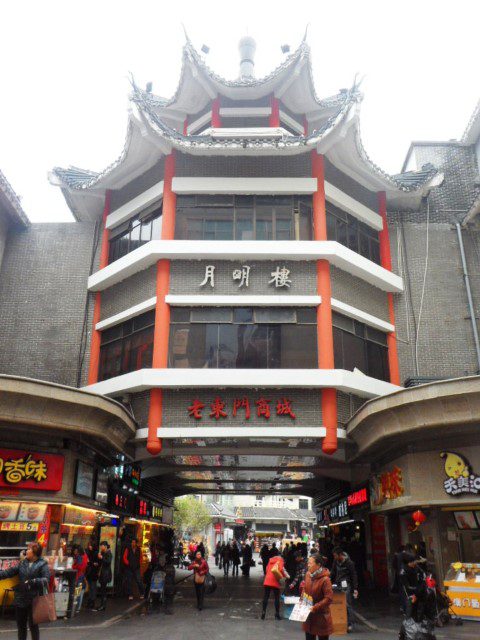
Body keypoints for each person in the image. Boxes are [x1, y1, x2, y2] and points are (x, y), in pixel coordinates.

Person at [0, 542, 50, 640]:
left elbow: (46, 580)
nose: (26, 551)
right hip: (21, 598)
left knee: (33, 626)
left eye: (29, 549)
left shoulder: (42, 564)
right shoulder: (23, 563)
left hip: (34, 600)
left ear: (35, 552)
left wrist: (32, 581)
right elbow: (9, 572)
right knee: (21, 626)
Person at [302, 553, 334, 640]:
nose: (308, 565)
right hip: (309, 617)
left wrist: (315, 607)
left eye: (310, 563)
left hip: (321, 618)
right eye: (308, 563)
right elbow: (305, 589)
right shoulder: (308, 575)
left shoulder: (325, 579)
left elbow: (328, 598)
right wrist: (302, 600)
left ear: (318, 564)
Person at [330, 547, 358, 633]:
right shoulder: (336, 561)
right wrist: (328, 582)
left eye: (335, 556)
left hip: (347, 585)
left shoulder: (349, 563)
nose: (334, 557)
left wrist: (355, 588)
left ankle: (350, 624)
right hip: (338, 584)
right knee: (337, 603)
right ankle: (339, 622)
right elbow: (333, 572)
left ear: (340, 555)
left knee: (347, 604)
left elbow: (354, 575)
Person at [261, 548, 289, 620]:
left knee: (266, 597)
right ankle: (277, 614)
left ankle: (263, 613)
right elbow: (281, 569)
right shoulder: (280, 560)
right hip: (274, 581)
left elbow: (267, 569)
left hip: (267, 580)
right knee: (276, 598)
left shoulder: (270, 560)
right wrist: (286, 576)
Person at [94, 540, 112, 612]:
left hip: (105, 574)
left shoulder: (109, 553)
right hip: (102, 573)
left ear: (105, 546)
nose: (101, 547)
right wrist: (98, 561)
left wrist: (101, 558)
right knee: (102, 590)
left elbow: (108, 562)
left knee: (103, 590)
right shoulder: (103, 552)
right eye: (100, 546)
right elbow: (102, 562)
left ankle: (103, 606)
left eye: (102, 546)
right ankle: (102, 605)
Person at [72, 545, 88, 612]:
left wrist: (73, 566)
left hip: (79, 575)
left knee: (77, 592)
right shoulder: (85, 556)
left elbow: (79, 566)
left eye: (76, 550)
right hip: (82, 575)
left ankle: (76, 607)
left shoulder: (79, 557)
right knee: (80, 592)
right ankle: (78, 607)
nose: (75, 552)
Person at [85, 542, 100, 608]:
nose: (89, 546)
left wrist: (90, 562)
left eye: (91, 545)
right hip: (90, 572)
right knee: (90, 587)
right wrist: (91, 563)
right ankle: (90, 601)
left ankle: (92, 601)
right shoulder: (88, 553)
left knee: (93, 587)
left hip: (93, 573)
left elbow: (96, 564)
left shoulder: (96, 553)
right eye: (89, 545)